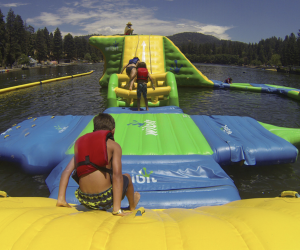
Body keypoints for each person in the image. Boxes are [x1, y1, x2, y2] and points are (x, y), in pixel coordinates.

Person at [56, 113, 140, 216]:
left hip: (84, 199)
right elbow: (117, 176)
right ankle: (131, 206)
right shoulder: (114, 145)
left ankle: (60, 200)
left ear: (94, 130)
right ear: (112, 131)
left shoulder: (81, 146)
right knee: (127, 177)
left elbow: (66, 172)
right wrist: (117, 209)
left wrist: (61, 199)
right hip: (106, 199)